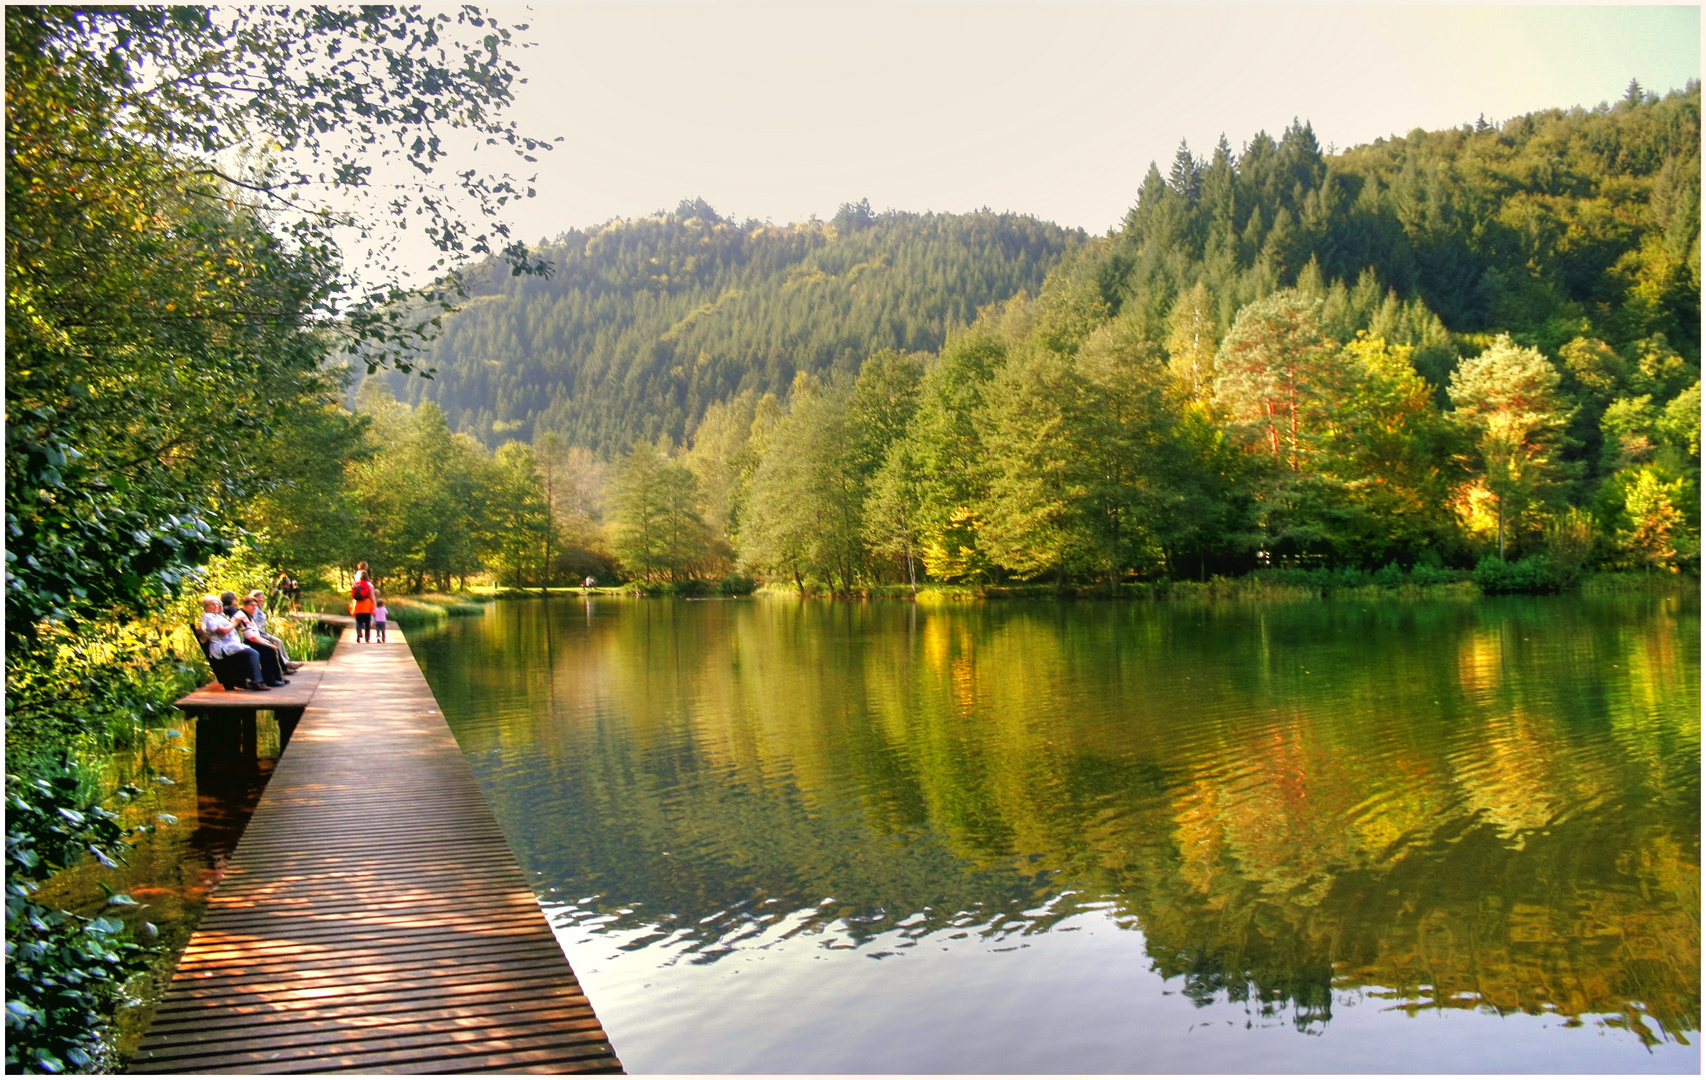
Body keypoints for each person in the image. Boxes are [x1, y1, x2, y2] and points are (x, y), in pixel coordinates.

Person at [200, 596, 269, 692]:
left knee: (255, 650)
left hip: (231, 646)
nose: (217, 606)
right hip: (223, 648)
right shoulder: (209, 617)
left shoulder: (219, 616)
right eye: (213, 604)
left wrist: (235, 624)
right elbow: (222, 631)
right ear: (206, 606)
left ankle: (248, 680)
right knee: (252, 653)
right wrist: (234, 623)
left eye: (218, 604)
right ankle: (257, 682)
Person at [233, 597, 289, 686]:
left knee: (272, 648)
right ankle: (269, 679)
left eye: (255, 606)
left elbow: (256, 634)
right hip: (248, 643)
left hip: (253, 641)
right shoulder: (242, 616)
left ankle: (277, 677)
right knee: (269, 650)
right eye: (252, 606)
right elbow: (251, 637)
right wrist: (267, 645)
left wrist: (267, 643)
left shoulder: (249, 615)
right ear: (245, 605)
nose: (254, 608)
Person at [350, 570, 376, 642]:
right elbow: (372, 596)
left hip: (357, 605)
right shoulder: (369, 585)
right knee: (367, 623)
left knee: (359, 622)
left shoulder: (355, 584)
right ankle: (367, 639)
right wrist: (374, 605)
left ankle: (358, 636)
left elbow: (353, 595)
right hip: (367, 606)